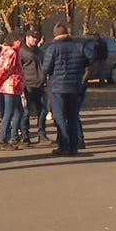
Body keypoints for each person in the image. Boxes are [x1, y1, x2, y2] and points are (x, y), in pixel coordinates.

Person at [41, 23, 92, 156]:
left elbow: (46, 68)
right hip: (74, 86)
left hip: (58, 87)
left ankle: (63, 146)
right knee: (73, 116)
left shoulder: (53, 48)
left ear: (56, 35)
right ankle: (74, 146)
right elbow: (88, 61)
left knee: (60, 117)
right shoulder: (79, 47)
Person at [0, 32, 25, 150]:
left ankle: (14, 137)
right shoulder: (11, 53)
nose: (20, 42)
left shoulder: (11, 52)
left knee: (19, 112)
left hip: (14, 86)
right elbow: (5, 69)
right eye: (19, 40)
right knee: (9, 113)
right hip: (10, 86)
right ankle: (2, 140)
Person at [19, 29, 48, 144]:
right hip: (27, 86)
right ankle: (25, 136)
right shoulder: (22, 51)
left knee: (43, 111)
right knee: (26, 112)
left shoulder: (39, 51)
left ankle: (42, 134)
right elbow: (18, 68)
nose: (35, 39)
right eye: (32, 37)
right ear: (27, 37)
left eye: (36, 37)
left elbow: (43, 66)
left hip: (39, 85)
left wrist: (44, 80)